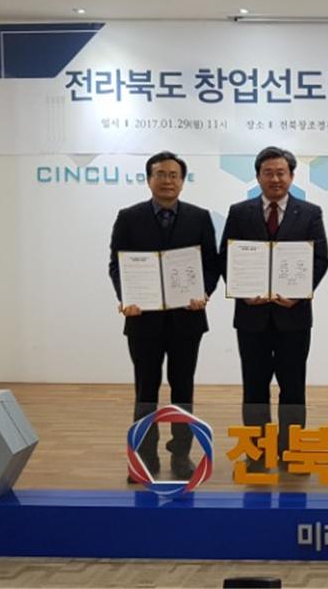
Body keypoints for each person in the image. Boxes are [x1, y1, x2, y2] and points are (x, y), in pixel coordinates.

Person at [108, 151, 219, 482]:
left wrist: (204, 292)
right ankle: (144, 457)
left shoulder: (199, 217)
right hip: (143, 319)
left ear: (182, 181)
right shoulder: (128, 217)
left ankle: (181, 455)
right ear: (149, 179)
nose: (167, 180)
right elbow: (117, 265)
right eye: (160, 174)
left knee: (183, 389)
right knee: (146, 390)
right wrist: (127, 298)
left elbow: (211, 264)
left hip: (187, 318)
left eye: (174, 175)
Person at [220, 146, 328, 466]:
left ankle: (293, 451)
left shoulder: (309, 213)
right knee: (254, 388)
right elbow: (227, 256)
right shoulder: (239, 212)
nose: (275, 179)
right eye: (268, 172)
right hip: (251, 316)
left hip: (293, 316)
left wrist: (300, 293)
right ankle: (257, 453)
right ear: (257, 177)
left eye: (281, 172)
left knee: (293, 387)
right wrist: (242, 291)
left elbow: (320, 259)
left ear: (292, 176)